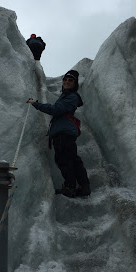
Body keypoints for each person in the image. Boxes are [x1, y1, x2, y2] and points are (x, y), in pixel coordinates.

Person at [27, 70, 91, 198]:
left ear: (75, 84)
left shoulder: (71, 97)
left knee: (64, 160)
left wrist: (36, 104)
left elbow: (56, 110)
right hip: (64, 133)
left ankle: (70, 187)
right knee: (72, 160)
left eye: (70, 80)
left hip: (63, 134)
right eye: (65, 79)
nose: (67, 82)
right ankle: (83, 187)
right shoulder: (67, 96)